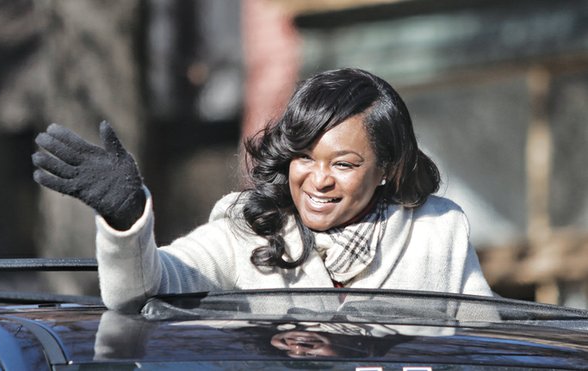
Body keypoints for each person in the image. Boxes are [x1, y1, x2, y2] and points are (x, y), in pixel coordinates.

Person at [32, 67, 493, 313]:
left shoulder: (438, 229)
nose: (319, 178)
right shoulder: (248, 227)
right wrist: (127, 216)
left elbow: (492, 349)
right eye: (304, 157)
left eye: (344, 164)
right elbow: (142, 291)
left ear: (388, 169)